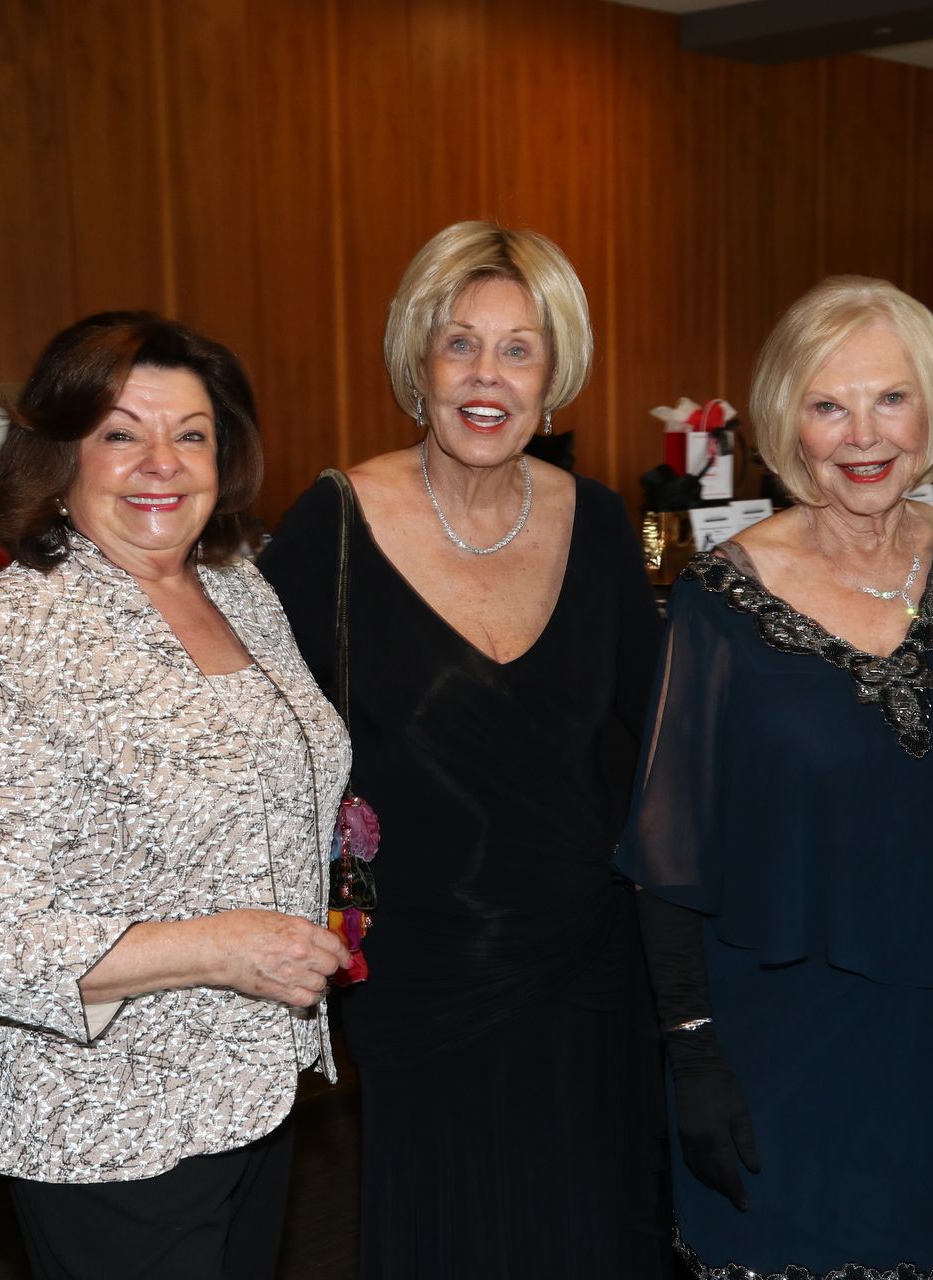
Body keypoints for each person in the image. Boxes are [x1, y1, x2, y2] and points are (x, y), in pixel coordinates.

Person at [256, 221, 664, 1277]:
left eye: (519, 348)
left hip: (589, 970)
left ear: (553, 372)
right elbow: (258, 748)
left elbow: (659, 753)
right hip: (422, 981)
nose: (488, 377)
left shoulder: (603, 525)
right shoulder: (333, 525)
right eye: (460, 345)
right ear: (418, 362)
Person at [616, 276, 933, 1278]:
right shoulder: (717, 600)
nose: (863, 433)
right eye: (828, 404)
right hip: (779, 1047)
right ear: (787, 423)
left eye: (890, 397)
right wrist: (692, 1053)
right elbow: (665, 850)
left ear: (932, 408)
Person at [0, 312, 352, 1280]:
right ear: (62, 454)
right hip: (113, 1116)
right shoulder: (12, 633)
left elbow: (265, 772)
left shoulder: (239, 586)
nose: (161, 462)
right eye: (122, 432)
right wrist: (222, 943)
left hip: (255, 1085)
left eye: (190, 433)